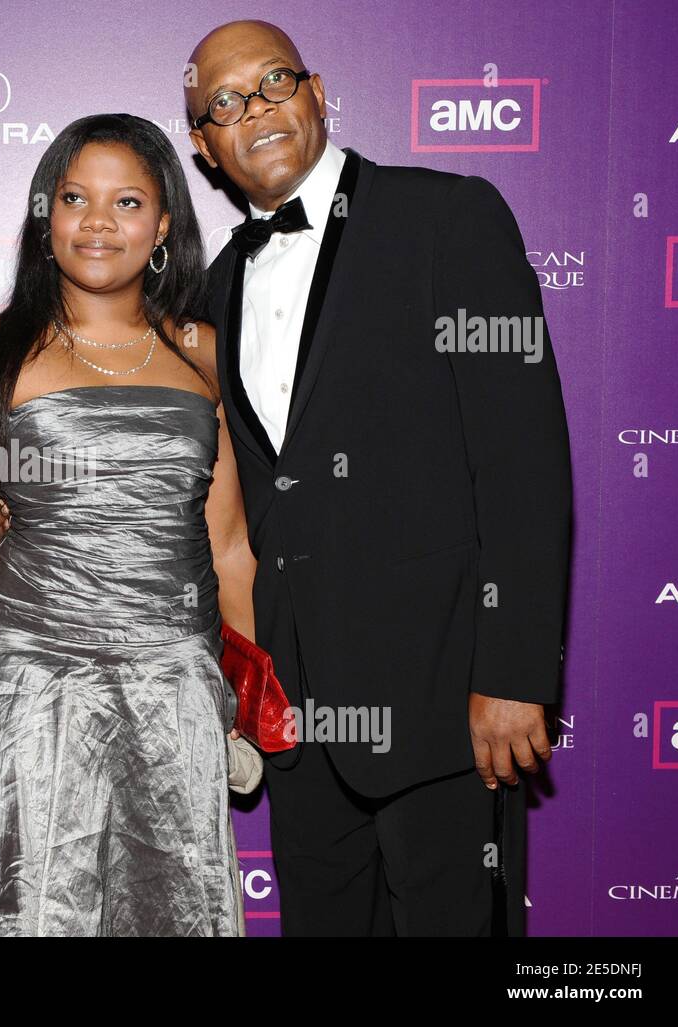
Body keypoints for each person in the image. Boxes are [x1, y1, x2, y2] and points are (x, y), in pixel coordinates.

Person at [182, 20, 572, 935]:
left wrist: (514, 673)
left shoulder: (447, 218)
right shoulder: (217, 288)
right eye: (225, 103)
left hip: (445, 703)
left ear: (318, 92)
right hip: (301, 721)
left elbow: (523, 460)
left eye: (275, 82)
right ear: (203, 146)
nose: (256, 110)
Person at [0, 113, 260, 936]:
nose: (98, 222)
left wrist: (245, 705)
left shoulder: (203, 354)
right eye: (75, 198)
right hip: (28, 691)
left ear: (164, 224)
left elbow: (229, 547)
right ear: (47, 215)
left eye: (127, 202)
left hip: (173, 696)